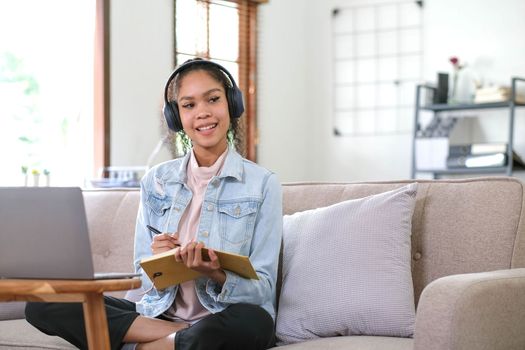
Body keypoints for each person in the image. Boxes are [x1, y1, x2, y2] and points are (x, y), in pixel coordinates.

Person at [25, 58, 283, 350]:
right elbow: (144, 281)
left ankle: (147, 343)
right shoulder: (156, 181)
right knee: (43, 302)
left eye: (213, 99)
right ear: (176, 117)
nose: (203, 113)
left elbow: (262, 291)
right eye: (188, 105)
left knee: (255, 323)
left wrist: (213, 271)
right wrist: (159, 264)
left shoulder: (263, 184)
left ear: (232, 104)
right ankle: (177, 335)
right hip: (161, 315)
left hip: (225, 316)